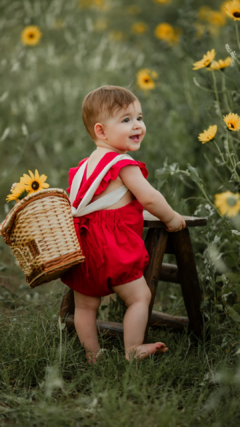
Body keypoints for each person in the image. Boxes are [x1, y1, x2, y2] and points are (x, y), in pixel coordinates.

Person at [61, 85, 186, 363]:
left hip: (81, 248)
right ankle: (132, 348)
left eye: (139, 118)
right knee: (139, 297)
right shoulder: (122, 164)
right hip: (112, 247)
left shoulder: (83, 167)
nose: (137, 125)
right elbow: (150, 199)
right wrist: (172, 218)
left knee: (85, 306)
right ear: (101, 131)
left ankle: (93, 355)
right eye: (126, 120)